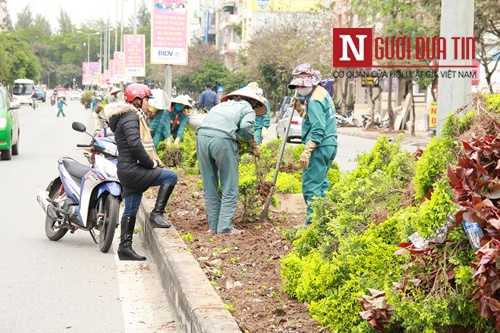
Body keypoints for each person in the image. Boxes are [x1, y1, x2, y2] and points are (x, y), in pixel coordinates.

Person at [103, 83, 178, 261]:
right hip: (132, 170)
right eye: (146, 99)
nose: (147, 103)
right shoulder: (130, 116)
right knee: (171, 176)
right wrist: (150, 163)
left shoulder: (124, 116)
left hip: (126, 170)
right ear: (137, 100)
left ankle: (125, 248)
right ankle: (156, 215)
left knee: (131, 209)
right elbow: (135, 144)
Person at [196, 87, 265, 235]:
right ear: (253, 102)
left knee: (209, 184)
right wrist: (252, 143)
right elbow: (246, 126)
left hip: (201, 137)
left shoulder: (221, 105)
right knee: (229, 184)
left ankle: (213, 227)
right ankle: (225, 228)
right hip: (222, 140)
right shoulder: (248, 109)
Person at [288, 63, 338, 226]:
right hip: (329, 146)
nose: (299, 88)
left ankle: (312, 224)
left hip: (319, 147)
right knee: (322, 186)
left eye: (301, 85)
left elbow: (318, 128)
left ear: (309, 83)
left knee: (311, 186)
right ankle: (324, 221)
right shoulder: (321, 93)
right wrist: (299, 108)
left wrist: (308, 150)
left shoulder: (315, 100)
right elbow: (312, 118)